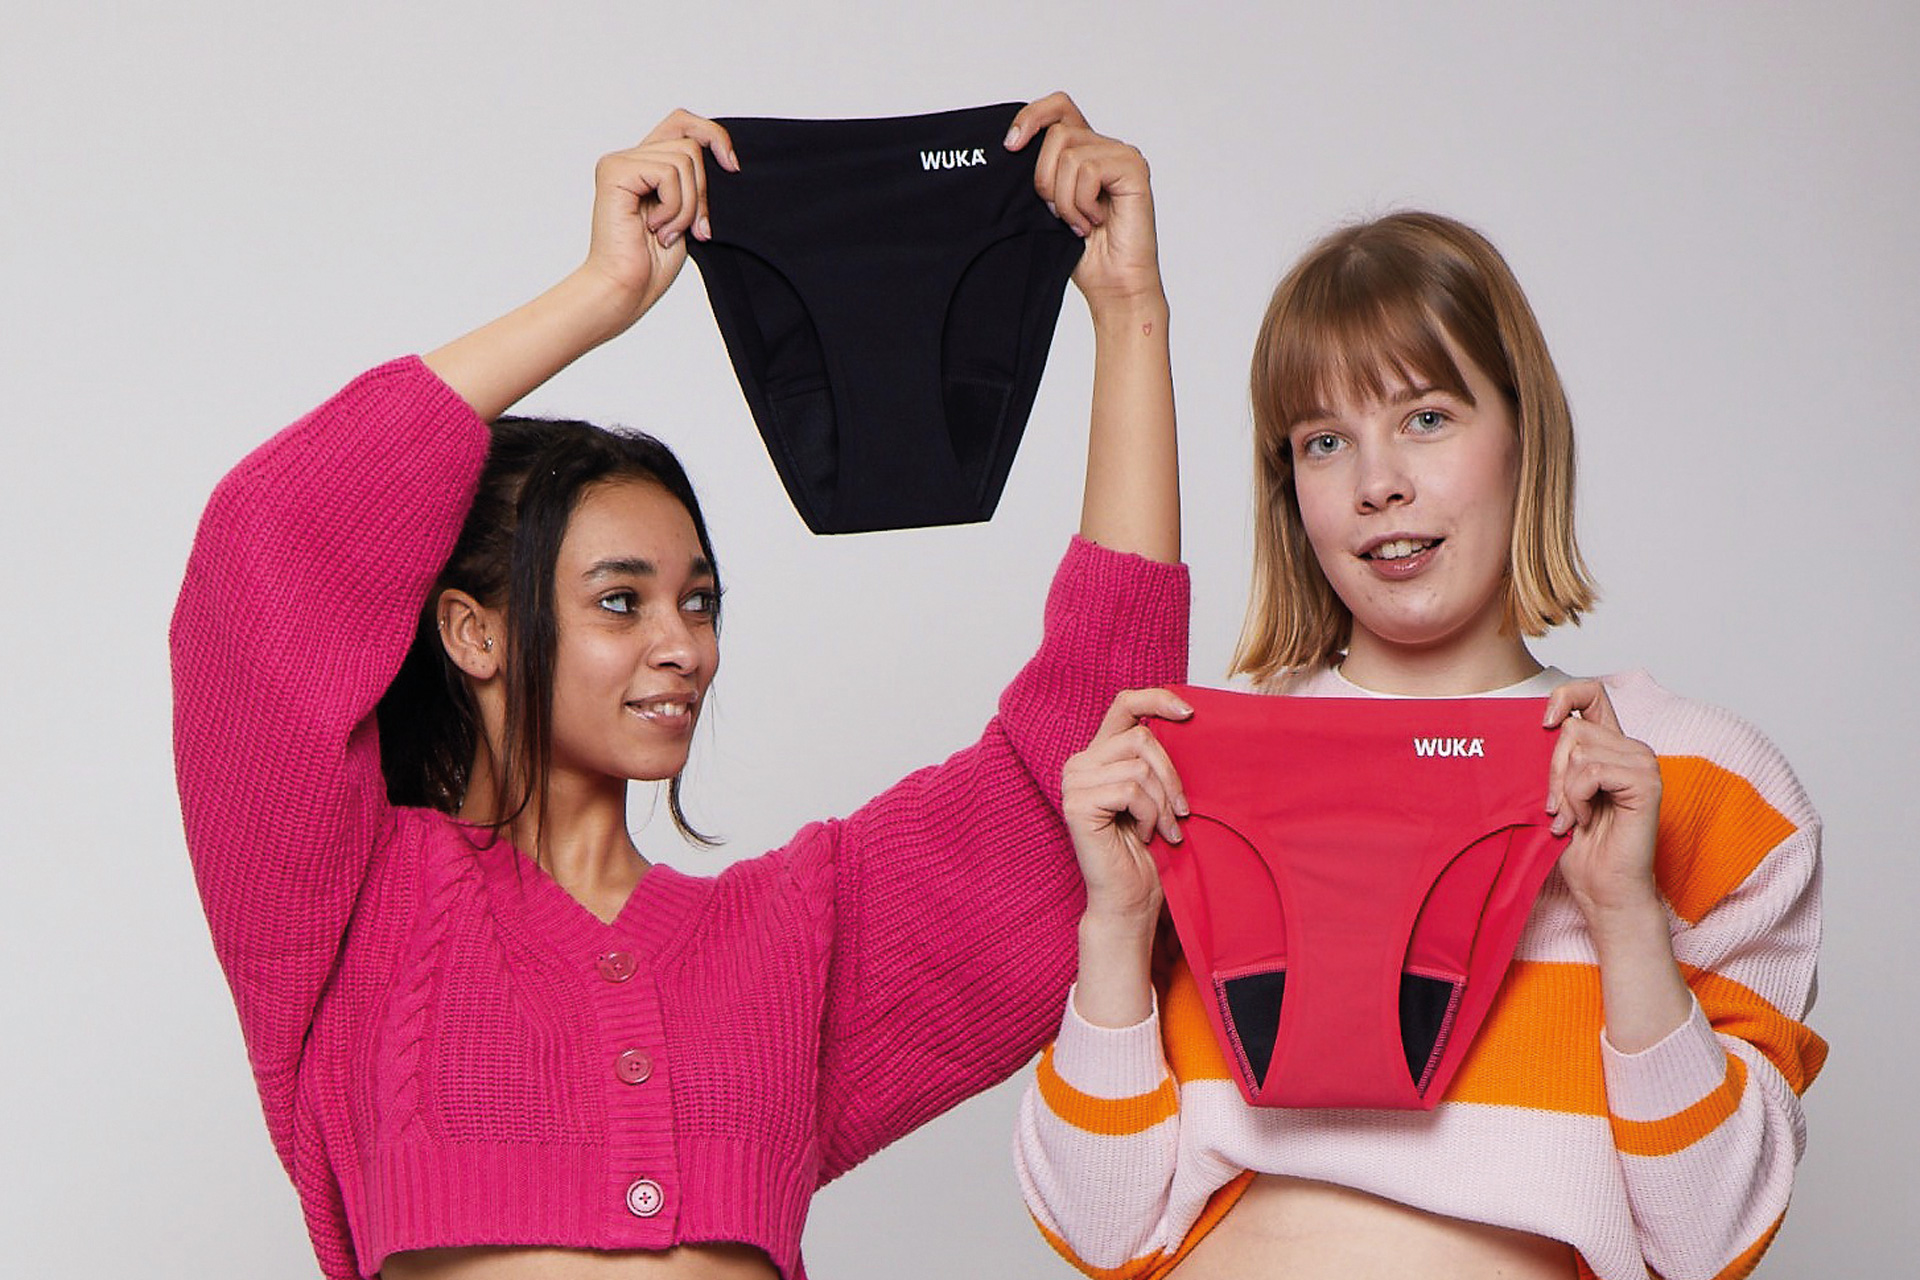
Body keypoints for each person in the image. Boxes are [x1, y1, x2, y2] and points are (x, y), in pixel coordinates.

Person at [171, 94, 1185, 1280]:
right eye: (621, 598)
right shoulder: (347, 910)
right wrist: (599, 296)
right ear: (472, 630)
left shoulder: (788, 938)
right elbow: (268, 549)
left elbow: (1095, 762)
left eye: (698, 601)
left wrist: (1129, 311)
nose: (683, 645)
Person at [1016, 211, 1825, 1280]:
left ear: (1525, 430)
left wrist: (1625, 916)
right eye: (1323, 439)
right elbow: (1099, 1227)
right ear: (1289, 487)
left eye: (1428, 417)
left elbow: (1712, 1239)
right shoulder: (1191, 771)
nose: (1377, 482)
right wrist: (1117, 925)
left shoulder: (1701, 782)